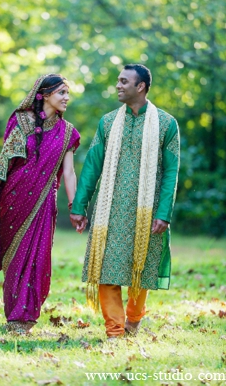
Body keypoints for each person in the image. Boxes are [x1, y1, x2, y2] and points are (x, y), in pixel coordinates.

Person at [70, 64, 179, 338]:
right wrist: (80, 206)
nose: (118, 85)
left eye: (123, 81)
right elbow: (93, 166)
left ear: (140, 86)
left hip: (148, 211)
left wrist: (164, 212)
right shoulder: (107, 122)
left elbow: (171, 172)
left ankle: (133, 318)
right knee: (107, 266)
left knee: (141, 268)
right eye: (118, 81)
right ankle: (115, 329)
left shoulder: (166, 124)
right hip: (111, 211)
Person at [0, 74, 80, 334]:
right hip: (14, 199)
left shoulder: (68, 132)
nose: (66, 98)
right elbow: (5, 160)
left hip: (44, 203)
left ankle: (25, 318)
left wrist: (75, 206)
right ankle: (14, 316)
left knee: (37, 256)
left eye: (67, 93)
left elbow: (69, 173)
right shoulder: (21, 122)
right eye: (62, 93)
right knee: (15, 258)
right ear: (45, 94)